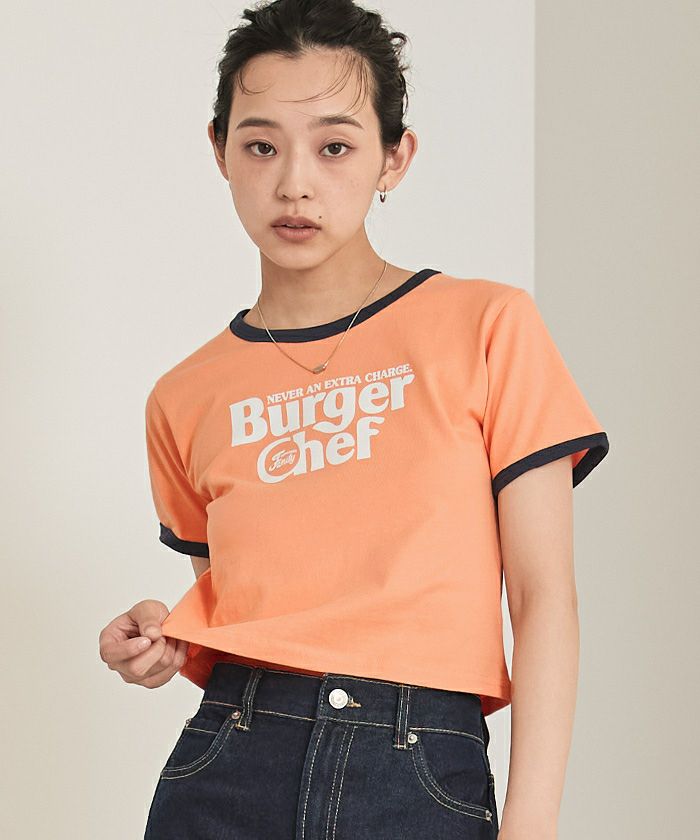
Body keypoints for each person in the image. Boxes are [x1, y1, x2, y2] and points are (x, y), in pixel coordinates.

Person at [98, 1, 610, 838]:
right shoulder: (184, 395)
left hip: (417, 767)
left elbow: (545, 596)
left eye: (334, 146)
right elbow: (242, 610)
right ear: (219, 150)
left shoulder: (487, 326)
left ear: (393, 157)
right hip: (228, 761)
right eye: (261, 145)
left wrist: (533, 823)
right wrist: (169, 642)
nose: (294, 183)